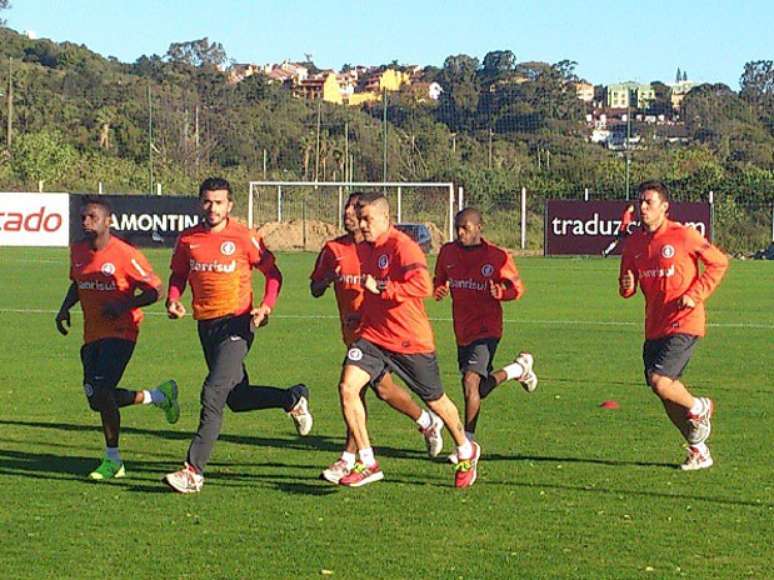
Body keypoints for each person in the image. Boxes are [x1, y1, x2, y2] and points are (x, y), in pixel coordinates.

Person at [163, 177, 312, 494]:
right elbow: (178, 274)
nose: (212, 207)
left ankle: (193, 472)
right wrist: (172, 299)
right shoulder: (189, 239)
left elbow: (273, 273)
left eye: (219, 202)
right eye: (207, 201)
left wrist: (266, 307)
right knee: (237, 399)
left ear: (230, 205)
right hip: (207, 326)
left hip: (238, 324)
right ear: (200, 202)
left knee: (213, 393)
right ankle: (292, 398)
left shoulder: (245, 237)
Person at [336, 192, 480, 488]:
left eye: (367, 219)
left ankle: (466, 450)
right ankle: (367, 461)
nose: (362, 225)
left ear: (385, 219)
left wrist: (383, 288)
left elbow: (422, 286)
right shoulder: (364, 248)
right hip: (373, 337)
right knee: (347, 387)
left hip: (409, 340)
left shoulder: (403, 247)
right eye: (359, 219)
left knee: (437, 401)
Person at [310, 193, 444, 484]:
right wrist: (327, 280)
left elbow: (412, 284)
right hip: (354, 333)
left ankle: (350, 459)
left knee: (352, 390)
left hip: (381, 333)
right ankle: (426, 422)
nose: (349, 213)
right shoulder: (333, 248)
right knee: (381, 391)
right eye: (347, 207)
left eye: (355, 209)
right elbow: (315, 287)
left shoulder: (382, 248)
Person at [55, 197, 179, 480]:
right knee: (97, 399)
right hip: (92, 334)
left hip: (122, 332)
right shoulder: (77, 251)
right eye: (83, 217)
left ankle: (113, 460)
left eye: (93, 217)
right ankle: (159, 396)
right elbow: (77, 282)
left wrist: (123, 306)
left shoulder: (125, 254)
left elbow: (156, 290)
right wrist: (64, 308)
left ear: (108, 221)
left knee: (101, 391)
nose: (86, 222)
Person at [619, 180, 728, 470]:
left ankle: (699, 407)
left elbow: (719, 262)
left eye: (649, 202)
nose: (642, 207)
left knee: (660, 381)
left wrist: (696, 294)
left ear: (664, 208)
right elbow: (626, 287)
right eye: (640, 201)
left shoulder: (683, 235)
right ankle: (698, 451)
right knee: (665, 394)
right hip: (655, 325)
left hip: (685, 320)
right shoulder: (634, 243)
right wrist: (627, 284)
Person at [434, 208, 537, 456]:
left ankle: (466, 443)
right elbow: (439, 278)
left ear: (479, 228)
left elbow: (517, 289)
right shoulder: (448, 252)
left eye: (465, 228)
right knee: (476, 390)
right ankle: (518, 369)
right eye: (457, 227)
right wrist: (439, 288)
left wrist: (502, 293)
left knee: (471, 383)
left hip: (487, 328)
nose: (460, 233)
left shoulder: (496, 256)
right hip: (462, 329)